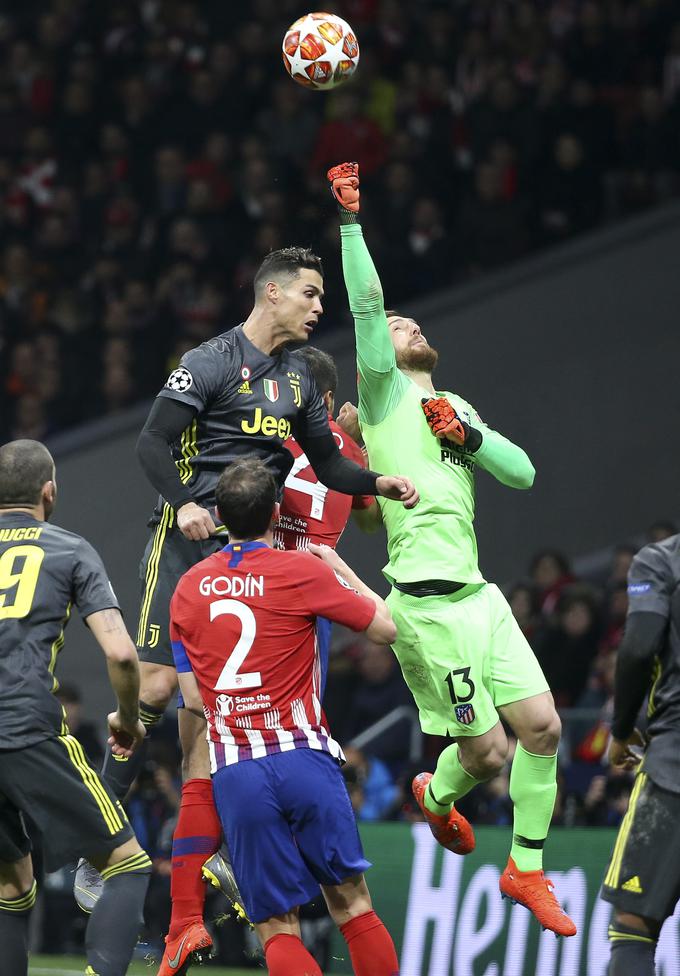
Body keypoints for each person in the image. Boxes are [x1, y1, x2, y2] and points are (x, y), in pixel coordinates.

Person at [79, 245, 418, 973]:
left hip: (245, 549)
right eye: (309, 293)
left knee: (210, 726)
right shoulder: (206, 361)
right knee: (159, 688)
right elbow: (150, 443)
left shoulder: (299, 375)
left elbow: (327, 463)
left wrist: (379, 482)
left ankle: (209, 872)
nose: (318, 306)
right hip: (184, 542)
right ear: (270, 294)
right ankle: (101, 831)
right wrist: (185, 504)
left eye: (323, 296)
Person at [325, 161, 576, 937]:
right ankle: (433, 797)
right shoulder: (383, 396)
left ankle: (525, 870)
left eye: (414, 324)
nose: (410, 328)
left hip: (480, 596)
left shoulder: (450, 404)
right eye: (401, 328)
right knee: (491, 754)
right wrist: (353, 224)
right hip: (428, 609)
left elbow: (525, 474)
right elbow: (367, 306)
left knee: (545, 730)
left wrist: (466, 435)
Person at [171, 458, 400, 976]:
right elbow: (386, 629)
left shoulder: (188, 587)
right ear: (277, 511)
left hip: (238, 773)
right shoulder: (302, 570)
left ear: (219, 515)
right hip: (304, 759)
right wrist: (337, 567)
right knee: (352, 904)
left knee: (277, 926)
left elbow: (192, 700)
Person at [0, 439, 151, 976]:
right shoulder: (69, 548)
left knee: (12, 885)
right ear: (49, 491)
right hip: (25, 725)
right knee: (127, 864)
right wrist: (129, 719)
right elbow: (121, 653)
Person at [600, 532, 680, 975]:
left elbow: (638, 647)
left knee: (633, 928)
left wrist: (622, 728)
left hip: (674, 769)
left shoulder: (663, 560)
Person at [275, 345, 381, 552]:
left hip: (255, 568)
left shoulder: (260, 428)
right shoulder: (349, 448)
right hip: (313, 572)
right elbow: (369, 523)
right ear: (328, 399)